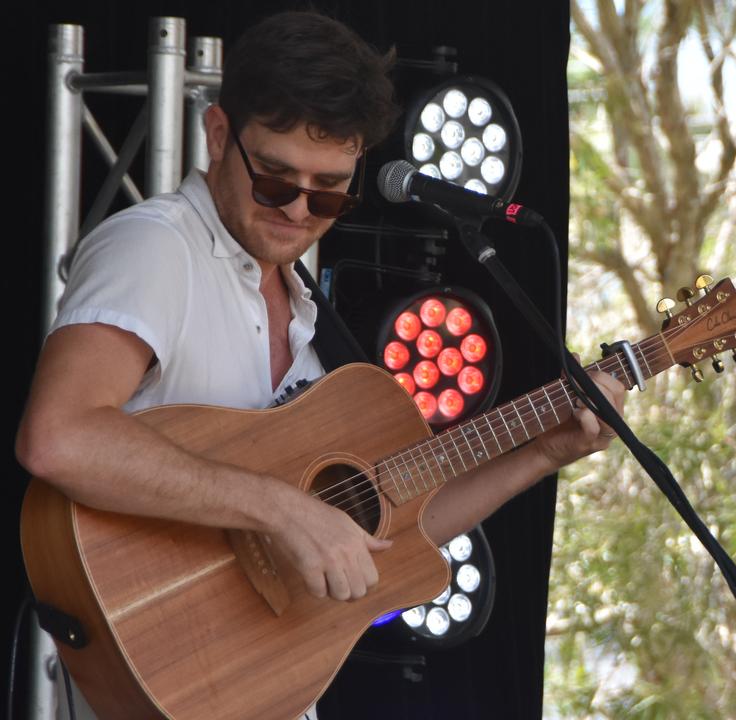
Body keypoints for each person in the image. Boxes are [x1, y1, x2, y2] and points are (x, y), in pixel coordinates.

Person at [15, 10, 624, 719]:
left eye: (330, 189)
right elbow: (58, 437)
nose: (300, 211)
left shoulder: (303, 301)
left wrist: (544, 451)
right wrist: (277, 508)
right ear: (218, 136)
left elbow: (395, 535)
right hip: (170, 675)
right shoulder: (156, 250)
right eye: (275, 181)